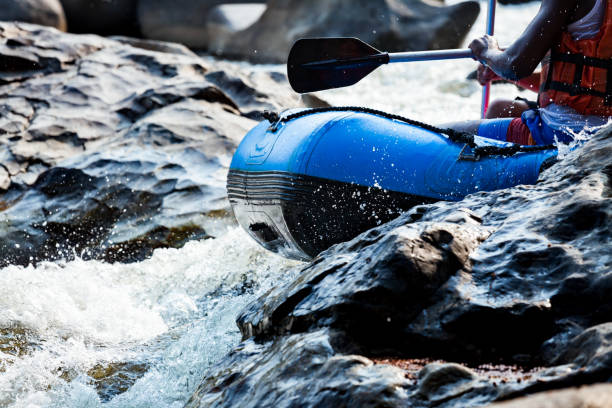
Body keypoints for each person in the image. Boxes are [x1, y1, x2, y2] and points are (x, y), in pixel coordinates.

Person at [443, 0, 612, 145]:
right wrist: (504, 75)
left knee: (444, 134)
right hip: (605, 130)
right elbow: (587, 86)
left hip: (565, 133)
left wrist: (487, 51)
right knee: (499, 108)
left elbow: (515, 65)